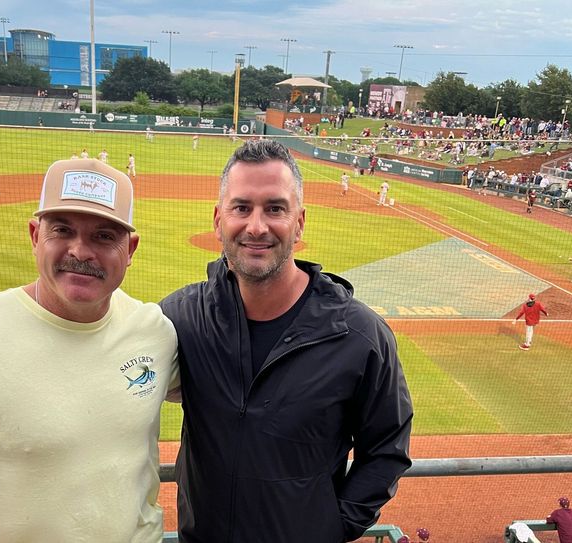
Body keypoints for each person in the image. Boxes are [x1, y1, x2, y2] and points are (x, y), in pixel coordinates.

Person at [0, 158, 179, 543]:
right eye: (62, 230)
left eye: (103, 236)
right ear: (34, 235)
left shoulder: (154, 332)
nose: (80, 251)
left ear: (129, 249)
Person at [160, 139, 413, 543]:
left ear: (299, 222)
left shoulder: (362, 337)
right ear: (218, 219)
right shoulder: (181, 317)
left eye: (275, 208)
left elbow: (386, 447)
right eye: (241, 207)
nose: (256, 226)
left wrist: (332, 525)